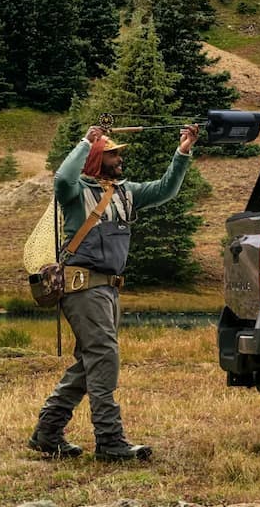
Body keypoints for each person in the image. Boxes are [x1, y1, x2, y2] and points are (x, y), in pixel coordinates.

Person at [28, 123, 200, 461]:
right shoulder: (76, 192)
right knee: (104, 358)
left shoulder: (126, 190)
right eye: (113, 153)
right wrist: (85, 141)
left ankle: (47, 432)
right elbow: (61, 179)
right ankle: (109, 441)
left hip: (108, 291)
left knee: (90, 362)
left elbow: (166, 189)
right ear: (95, 158)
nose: (120, 158)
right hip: (84, 289)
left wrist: (183, 150)